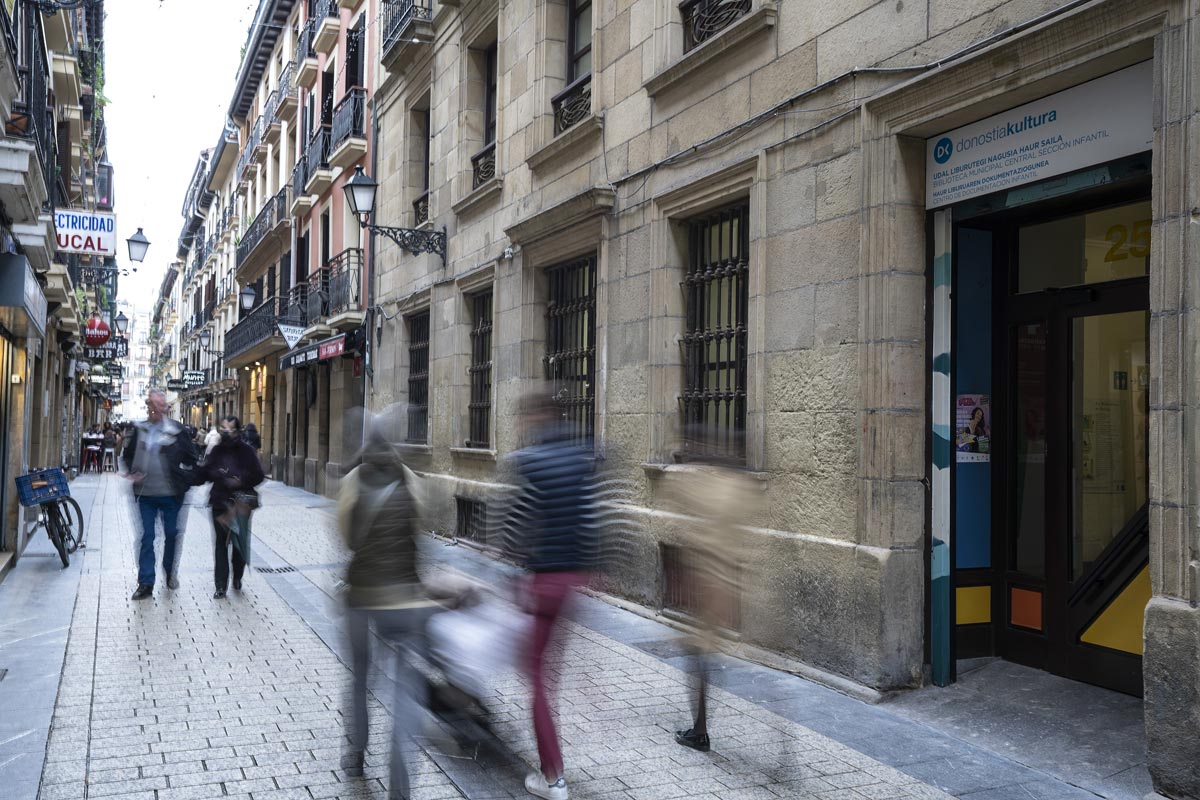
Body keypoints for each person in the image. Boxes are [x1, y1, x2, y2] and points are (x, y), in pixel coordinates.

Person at [501, 389, 599, 800]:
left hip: (544, 582)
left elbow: (514, 525)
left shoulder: (529, 462)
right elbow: (595, 517)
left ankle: (552, 776)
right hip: (573, 579)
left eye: (525, 418)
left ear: (537, 417)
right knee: (543, 667)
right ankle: (552, 768)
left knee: (538, 677)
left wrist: (511, 571)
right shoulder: (583, 457)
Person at [338, 413, 433, 798]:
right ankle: (399, 777)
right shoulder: (412, 480)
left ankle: (357, 751)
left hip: (362, 597)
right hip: (405, 600)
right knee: (405, 687)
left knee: (361, 678)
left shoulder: (351, 481)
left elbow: (346, 538)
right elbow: (420, 531)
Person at [659, 440, 756, 754]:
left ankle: (699, 732)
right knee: (701, 653)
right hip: (732, 579)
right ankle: (700, 728)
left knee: (699, 654)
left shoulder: (716, 489)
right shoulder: (739, 486)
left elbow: (689, 514)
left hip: (711, 582)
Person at [121, 390, 198, 600]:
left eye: (159, 405)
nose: (155, 409)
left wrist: (184, 479)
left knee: (172, 534)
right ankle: (146, 582)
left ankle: (169, 569)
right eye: (152, 405)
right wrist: (132, 471)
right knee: (147, 537)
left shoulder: (176, 430)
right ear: (148, 406)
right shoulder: (140, 429)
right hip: (145, 494)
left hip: (171, 495)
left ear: (164, 407)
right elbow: (127, 455)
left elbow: (193, 459)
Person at [198, 416, 264, 599]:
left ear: (236, 432)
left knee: (238, 544)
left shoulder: (247, 451)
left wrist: (241, 480)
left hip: (240, 505)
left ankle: (237, 576)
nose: (224, 433)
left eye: (227, 430)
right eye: (222, 429)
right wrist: (205, 473)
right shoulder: (217, 450)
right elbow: (205, 472)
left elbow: (259, 475)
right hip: (220, 502)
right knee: (220, 544)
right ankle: (220, 585)